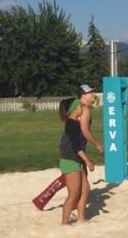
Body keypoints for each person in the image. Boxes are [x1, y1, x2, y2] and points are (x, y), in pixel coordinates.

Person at [32, 84, 103, 210]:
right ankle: (46, 200)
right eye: (90, 92)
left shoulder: (78, 106)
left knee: (74, 175)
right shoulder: (84, 109)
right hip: (73, 147)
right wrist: (97, 144)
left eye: (93, 91)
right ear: (83, 95)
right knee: (73, 175)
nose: (93, 94)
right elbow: (85, 131)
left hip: (68, 144)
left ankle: (42, 200)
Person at [57, 92, 97, 226]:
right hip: (70, 160)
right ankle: (64, 223)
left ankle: (80, 218)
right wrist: (88, 161)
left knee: (85, 190)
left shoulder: (75, 123)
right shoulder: (71, 124)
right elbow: (76, 147)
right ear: (75, 109)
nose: (83, 108)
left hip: (76, 160)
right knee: (73, 194)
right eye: (80, 106)